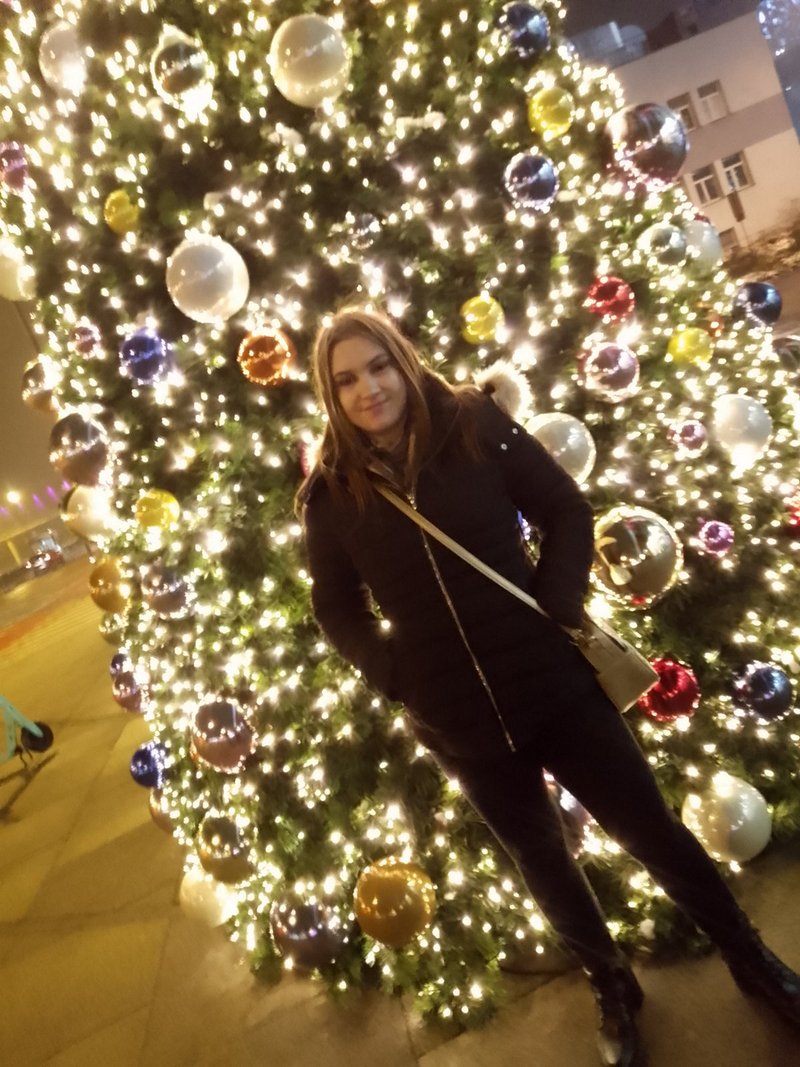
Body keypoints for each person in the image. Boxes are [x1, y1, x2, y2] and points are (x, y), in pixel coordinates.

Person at [298, 307, 800, 1067]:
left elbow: (565, 506)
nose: (368, 388)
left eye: (379, 366)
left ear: (403, 361)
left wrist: (559, 600)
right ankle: (612, 984)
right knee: (542, 860)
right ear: (329, 394)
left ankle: (748, 955)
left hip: (554, 684)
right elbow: (335, 606)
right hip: (458, 718)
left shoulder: (471, 423)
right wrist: (395, 672)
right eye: (345, 379)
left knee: (651, 830)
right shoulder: (332, 495)